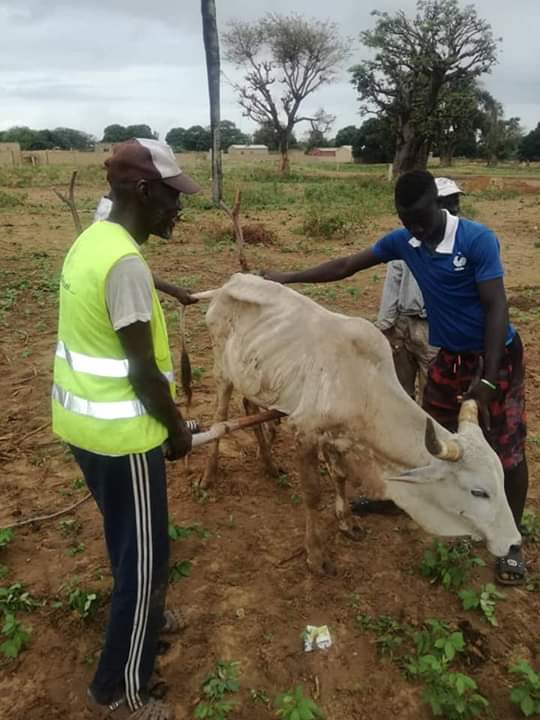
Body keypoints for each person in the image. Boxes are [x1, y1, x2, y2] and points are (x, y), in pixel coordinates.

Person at [264, 170, 528, 586]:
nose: (417, 231)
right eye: (408, 223)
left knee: (505, 450)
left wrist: (490, 380)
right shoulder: (405, 241)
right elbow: (347, 265)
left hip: (496, 359)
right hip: (451, 359)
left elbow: (497, 309)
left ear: (438, 205)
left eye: (422, 220)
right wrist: (286, 279)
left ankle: (511, 545)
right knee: (430, 439)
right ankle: (409, 501)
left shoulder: (477, 240)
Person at [52, 138, 201, 719]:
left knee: (128, 540)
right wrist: (177, 433)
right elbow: (142, 372)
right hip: (122, 441)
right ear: (142, 191)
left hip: (82, 425)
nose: (177, 210)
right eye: (171, 197)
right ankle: (119, 692)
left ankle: (149, 615)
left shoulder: (91, 241)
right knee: (145, 563)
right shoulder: (126, 266)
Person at [376, 178, 464, 401]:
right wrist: (386, 325)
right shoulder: (408, 239)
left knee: (432, 392)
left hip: (435, 328)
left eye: (456, 202)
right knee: (399, 390)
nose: (454, 208)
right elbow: (393, 280)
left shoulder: (465, 241)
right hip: (404, 323)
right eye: (449, 202)